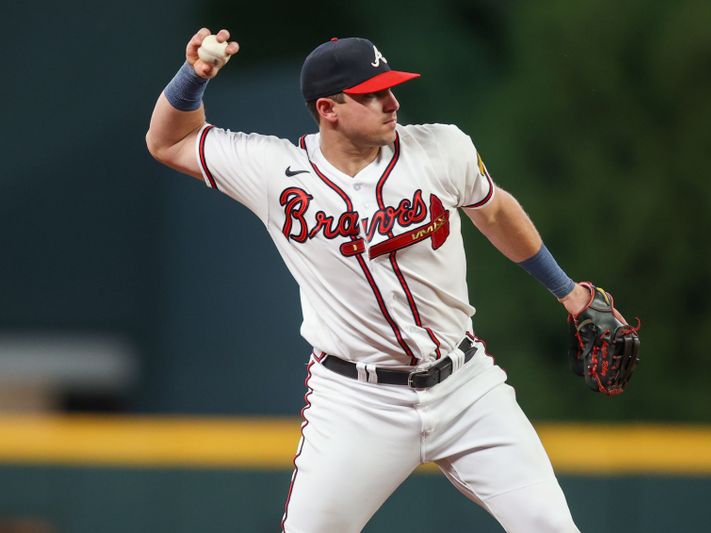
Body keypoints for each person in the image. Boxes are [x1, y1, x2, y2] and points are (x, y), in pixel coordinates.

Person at [146, 28, 591, 533]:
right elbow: (170, 141)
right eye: (372, 93)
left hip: (465, 386)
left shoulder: (443, 148)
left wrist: (570, 293)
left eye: (391, 86)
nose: (392, 101)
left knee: (550, 526)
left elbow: (495, 213)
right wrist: (194, 77)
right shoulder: (275, 170)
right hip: (357, 402)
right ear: (328, 109)